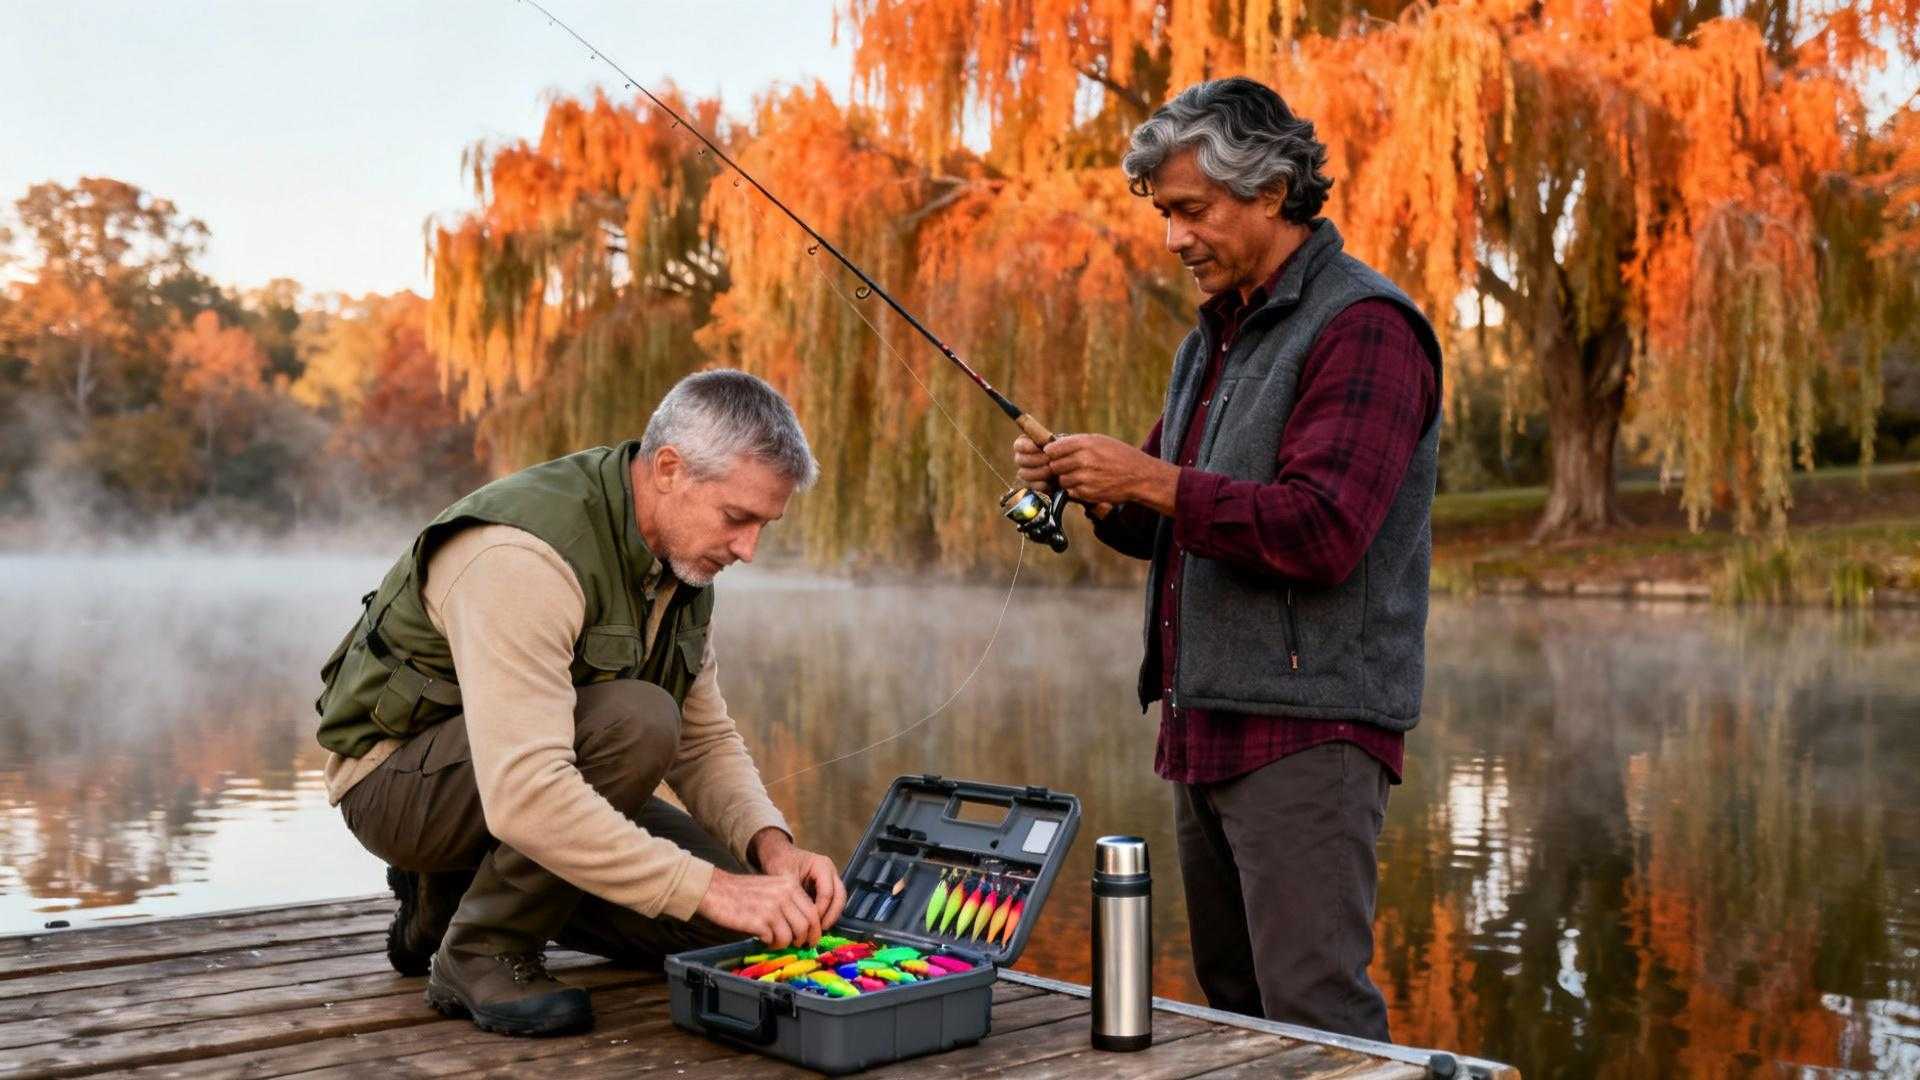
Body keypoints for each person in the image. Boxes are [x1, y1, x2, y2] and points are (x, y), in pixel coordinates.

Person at [1013, 78, 1441, 1041]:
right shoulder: (1211, 337)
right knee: (1238, 1014)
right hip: (1203, 725)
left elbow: (1323, 531)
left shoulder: (1364, 328)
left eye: (1191, 211)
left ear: (1271, 192)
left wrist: (1153, 480)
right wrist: (1096, 484)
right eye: (1166, 213)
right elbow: (1176, 523)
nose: (1173, 237)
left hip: (1309, 733)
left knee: (1316, 1014)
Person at [315, 369, 848, 1036]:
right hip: (400, 789)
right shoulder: (524, 556)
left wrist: (772, 852)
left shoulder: (680, 561)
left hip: (523, 778)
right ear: (669, 470)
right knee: (640, 721)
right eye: (737, 518)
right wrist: (713, 887)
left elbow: (705, 739)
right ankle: (482, 950)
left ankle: (448, 899)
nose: (748, 549)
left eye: (764, 524)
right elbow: (529, 793)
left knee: (752, 935)